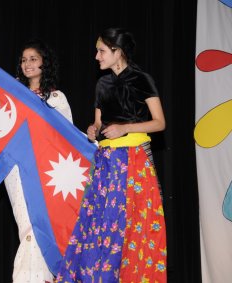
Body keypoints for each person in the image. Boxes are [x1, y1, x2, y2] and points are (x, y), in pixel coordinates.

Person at [0, 31, 73, 283]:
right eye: (23, 60)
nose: (28, 64)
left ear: (45, 62)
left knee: (40, 228)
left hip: (46, 173)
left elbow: (67, 140)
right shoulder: (13, 96)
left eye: (33, 59)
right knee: (28, 228)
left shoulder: (56, 98)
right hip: (17, 170)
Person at [55, 28, 167, 282]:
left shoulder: (141, 79)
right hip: (107, 162)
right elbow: (98, 124)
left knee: (133, 224)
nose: (96, 56)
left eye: (102, 51)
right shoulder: (102, 83)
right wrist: (94, 130)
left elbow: (160, 122)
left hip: (134, 159)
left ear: (118, 52)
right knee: (101, 224)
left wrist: (125, 128)